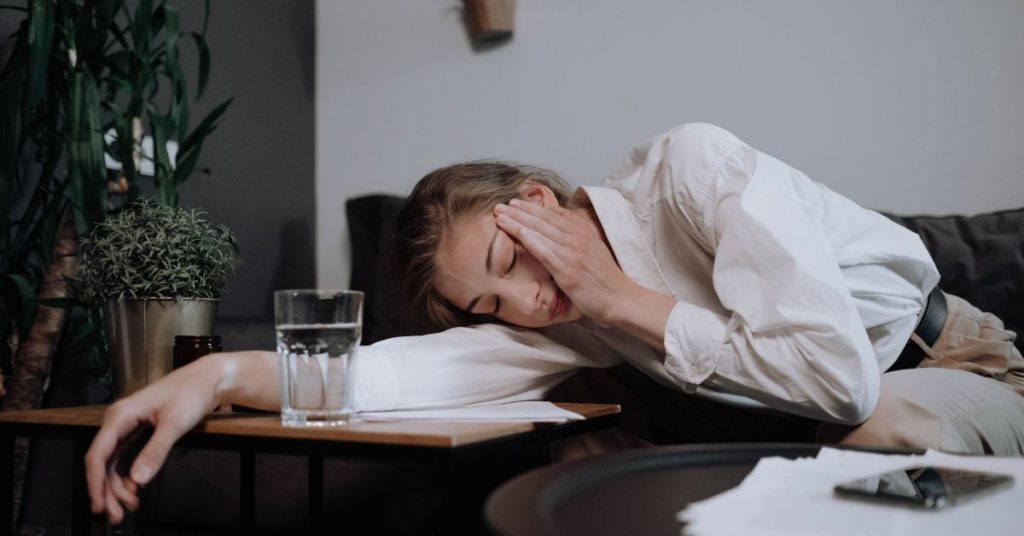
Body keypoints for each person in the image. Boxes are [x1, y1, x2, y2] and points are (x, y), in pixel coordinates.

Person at [85, 123, 1024, 524]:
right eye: (493, 305)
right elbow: (396, 375)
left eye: (510, 264)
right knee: (574, 460)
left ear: (535, 202)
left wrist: (623, 303)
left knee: (872, 428)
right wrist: (209, 375)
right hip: (774, 428)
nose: (528, 306)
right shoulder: (551, 323)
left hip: (952, 364)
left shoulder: (692, 172)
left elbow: (840, 378)